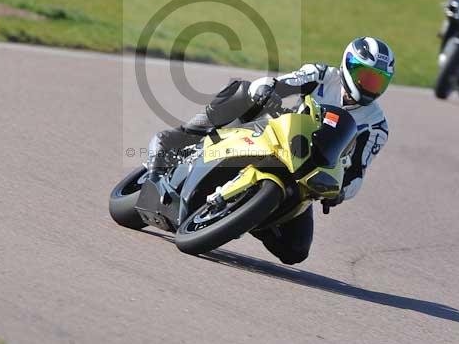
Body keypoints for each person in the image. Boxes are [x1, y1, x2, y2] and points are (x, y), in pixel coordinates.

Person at [146, 36, 394, 265]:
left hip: (308, 173)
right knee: (246, 92)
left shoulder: (377, 125)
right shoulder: (321, 75)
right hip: (279, 138)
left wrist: (340, 192)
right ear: (348, 67)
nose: (372, 86)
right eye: (367, 77)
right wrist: (269, 89)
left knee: (295, 251)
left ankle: (253, 215)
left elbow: (358, 172)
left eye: (379, 81)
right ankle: (181, 137)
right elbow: (286, 82)